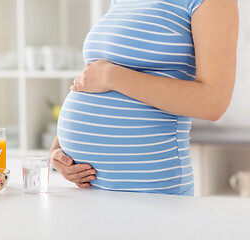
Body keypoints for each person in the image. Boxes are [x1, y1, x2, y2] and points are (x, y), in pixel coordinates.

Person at [49, 0, 239, 195]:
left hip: (151, 190)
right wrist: (58, 151)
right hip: (92, 188)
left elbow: (213, 102)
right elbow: (92, 77)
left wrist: (111, 76)